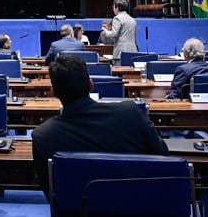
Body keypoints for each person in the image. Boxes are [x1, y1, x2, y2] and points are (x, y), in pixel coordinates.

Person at [31, 55, 168, 195]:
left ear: (53, 92)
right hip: (141, 204)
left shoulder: (43, 135)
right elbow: (163, 156)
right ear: (90, 84)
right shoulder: (131, 113)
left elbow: (52, 191)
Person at [99, 0, 138, 65]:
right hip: (132, 51)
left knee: (119, 73)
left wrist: (106, 31)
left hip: (121, 52)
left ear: (117, 8)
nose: (113, 9)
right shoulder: (132, 19)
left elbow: (114, 34)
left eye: (113, 7)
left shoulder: (117, 18)